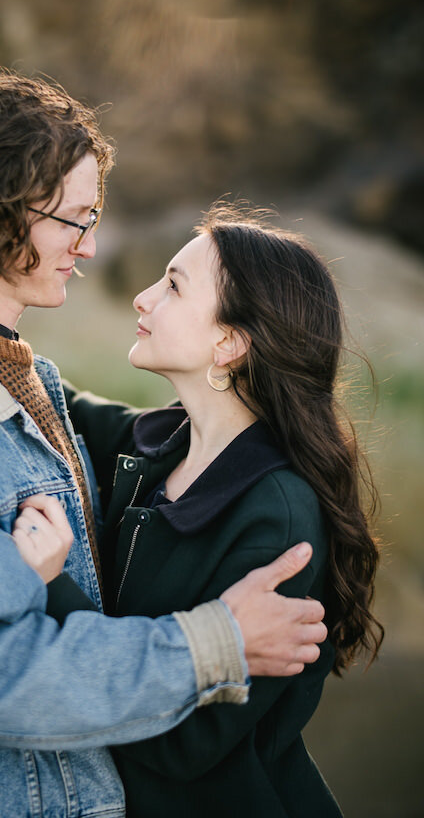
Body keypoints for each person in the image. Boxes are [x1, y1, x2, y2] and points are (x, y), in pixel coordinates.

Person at [0, 69, 328, 817]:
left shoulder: (15, 377)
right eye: (77, 219)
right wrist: (218, 644)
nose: (87, 247)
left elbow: (137, 432)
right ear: (5, 214)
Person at [19, 204, 382, 816]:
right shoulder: (166, 446)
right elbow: (64, 405)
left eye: (173, 286)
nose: (142, 297)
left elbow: (185, 742)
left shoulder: (280, 521)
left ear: (230, 341)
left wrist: (52, 585)